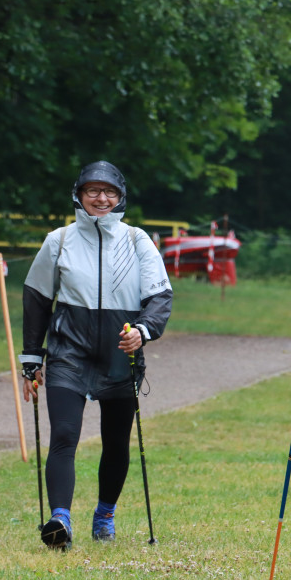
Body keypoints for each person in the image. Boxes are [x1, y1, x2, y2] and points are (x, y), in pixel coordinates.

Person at [20, 161, 172, 550]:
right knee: (64, 435)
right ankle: (60, 519)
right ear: (79, 195)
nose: (101, 198)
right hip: (68, 352)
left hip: (121, 353)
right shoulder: (59, 240)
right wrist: (32, 359)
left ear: (120, 198)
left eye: (110, 192)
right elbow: (37, 298)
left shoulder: (138, 240)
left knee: (116, 441)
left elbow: (159, 297)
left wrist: (142, 331)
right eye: (93, 190)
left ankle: (105, 514)